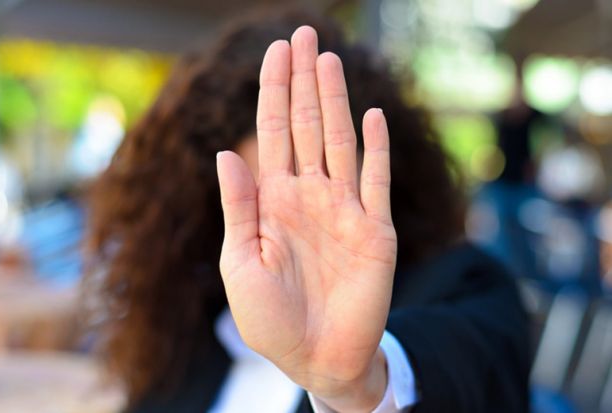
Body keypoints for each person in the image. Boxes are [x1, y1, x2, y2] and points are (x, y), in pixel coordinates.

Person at [86, 8, 530, 413]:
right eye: (264, 194)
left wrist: (359, 385)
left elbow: (473, 375)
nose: (299, 220)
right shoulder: (190, 328)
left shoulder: (465, 282)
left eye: (317, 178)